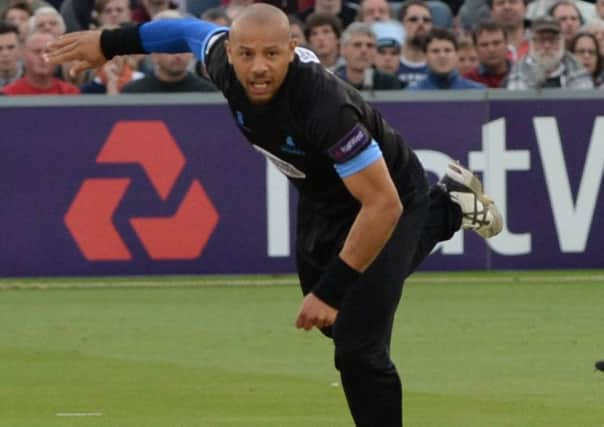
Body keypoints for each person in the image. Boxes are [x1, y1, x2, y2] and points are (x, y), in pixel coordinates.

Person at [46, 4, 503, 425]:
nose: (259, 66)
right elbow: (186, 32)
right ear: (230, 53)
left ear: (291, 51)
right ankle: (451, 208)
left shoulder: (324, 107)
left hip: (393, 200)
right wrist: (110, 43)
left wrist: (331, 290)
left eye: (271, 53)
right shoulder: (224, 64)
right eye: (246, 54)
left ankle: (440, 209)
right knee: (339, 325)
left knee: (358, 348)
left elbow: (381, 205)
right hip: (323, 200)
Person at [506, 16, 594, 89]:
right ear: (532, 42)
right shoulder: (519, 70)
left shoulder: (576, 67)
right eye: (541, 40)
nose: (547, 45)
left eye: (552, 39)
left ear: (562, 42)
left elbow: (582, 105)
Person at [407, 28, 486, 90]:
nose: (442, 56)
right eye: (435, 51)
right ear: (425, 56)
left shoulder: (477, 92)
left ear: (457, 55)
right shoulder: (411, 94)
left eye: (447, 50)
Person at [3, 31, 79, 94]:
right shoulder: (8, 94)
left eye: (48, 51)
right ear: (24, 55)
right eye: (37, 52)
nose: (43, 57)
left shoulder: (70, 93)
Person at [335, 22, 402, 90]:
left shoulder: (389, 82)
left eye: (370, 46)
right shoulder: (331, 82)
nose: (364, 50)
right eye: (357, 45)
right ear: (343, 49)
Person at [465, 19, 511, 88]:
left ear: (506, 44)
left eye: (496, 43)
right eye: (484, 45)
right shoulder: (467, 81)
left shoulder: (522, 76)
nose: (491, 49)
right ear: (475, 48)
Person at [396, 0, 431, 86]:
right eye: (413, 19)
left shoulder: (441, 63)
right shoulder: (389, 61)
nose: (421, 23)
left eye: (426, 20)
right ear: (401, 25)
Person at [0, 21, 23, 88]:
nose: (5, 54)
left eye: (11, 47)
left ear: (20, 49)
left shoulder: (34, 77)